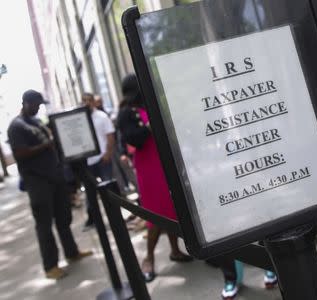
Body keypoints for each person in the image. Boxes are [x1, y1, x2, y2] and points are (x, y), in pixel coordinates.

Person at [7, 90, 92, 279]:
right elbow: (19, 153)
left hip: (55, 177)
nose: (38, 108)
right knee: (44, 225)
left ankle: (72, 252)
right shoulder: (16, 126)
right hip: (37, 182)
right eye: (36, 104)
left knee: (64, 218)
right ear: (26, 103)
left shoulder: (37, 122)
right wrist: (45, 146)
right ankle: (50, 266)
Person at [117, 74, 192, 282]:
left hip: (163, 161)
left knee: (170, 207)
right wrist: (147, 128)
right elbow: (132, 139)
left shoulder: (150, 104)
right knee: (155, 214)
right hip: (148, 166)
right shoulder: (125, 113)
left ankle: (175, 250)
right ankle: (148, 258)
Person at [81, 93, 115, 230]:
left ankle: (114, 217)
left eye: (89, 101)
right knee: (90, 194)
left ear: (93, 102)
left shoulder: (102, 116)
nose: (86, 103)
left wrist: (108, 153)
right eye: (84, 101)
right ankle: (93, 220)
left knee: (109, 190)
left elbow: (110, 135)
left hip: (102, 159)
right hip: (88, 162)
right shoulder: (80, 119)